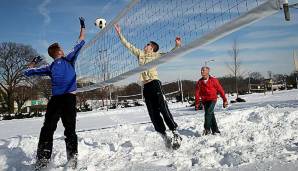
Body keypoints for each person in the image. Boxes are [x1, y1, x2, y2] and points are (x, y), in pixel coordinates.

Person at [24, 17, 85, 169]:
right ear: (59, 51)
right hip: (66, 99)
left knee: (48, 128)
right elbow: (80, 40)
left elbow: (28, 71)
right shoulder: (67, 59)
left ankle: (44, 160)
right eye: (62, 48)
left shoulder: (51, 65)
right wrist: (83, 26)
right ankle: (70, 159)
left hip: (57, 100)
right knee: (68, 129)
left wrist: (33, 61)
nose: (64, 50)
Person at [114, 23, 182, 149]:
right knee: (153, 113)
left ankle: (175, 132)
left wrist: (177, 46)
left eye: (148, 44)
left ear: (152, 48)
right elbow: (128, 45)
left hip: (155, 83)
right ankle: (164, 135)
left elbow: (170, 54)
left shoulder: (157, 56)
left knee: (163, 108)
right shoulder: (140, 54)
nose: (145, 45)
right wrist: (119, 33)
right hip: (145, 87)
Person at [195, 66, 228, 135]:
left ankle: (207, 129)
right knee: (210, 114)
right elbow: (197, 93)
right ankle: (215, 130)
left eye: (203, 70)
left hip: (213, 99)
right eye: (201, 70)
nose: (202, 72)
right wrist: (197, 103)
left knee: (208, 113)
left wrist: (224, 100)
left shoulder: (213, 80)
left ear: (208, 71)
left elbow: (220, 90)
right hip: (204, 100)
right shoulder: (199, 82)